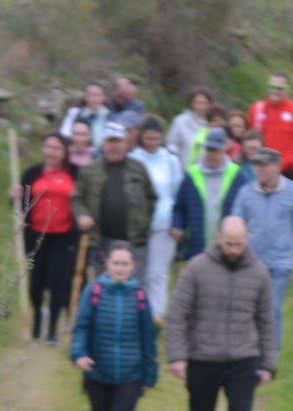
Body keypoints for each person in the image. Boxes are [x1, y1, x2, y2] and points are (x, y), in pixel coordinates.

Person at [165, 216, 274, 411]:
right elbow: (177, 315)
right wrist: (177, 356)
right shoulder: (196, 269)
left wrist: (267, 363)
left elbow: (266, 321)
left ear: (247, 240)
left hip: (243, 359)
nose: (234, 249)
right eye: (228, 244)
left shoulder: (259, 273)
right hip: (203, 358)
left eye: (239, 244)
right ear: (218, 238)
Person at [69, 242, 158, 411]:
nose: (120, 268)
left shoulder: (141, 297)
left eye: (125, 264)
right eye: (116, 263)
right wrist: (79, 354)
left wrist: (150, 375)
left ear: (133, 267)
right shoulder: (93, 292)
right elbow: (81, 327)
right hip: (98, 373)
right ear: (107, 265)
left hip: (131, 374)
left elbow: (148, 339)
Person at [231, 147, 293, 351]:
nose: (260, 169)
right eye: (257, 165)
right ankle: (249, 352)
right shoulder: (245, 193)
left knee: (271, 309)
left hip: (280, 263)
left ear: (277, 167)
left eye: (264, 165)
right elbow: (234, 227)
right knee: (250, 309)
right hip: (250, 263)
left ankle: (269, 358)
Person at [10, 132, 79, 343]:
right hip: (36, 236)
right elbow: (21, 207)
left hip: (63, 237)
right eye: (48, 147)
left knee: (58, 282)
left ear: (65, 152)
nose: (51, 152)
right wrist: (14, 196)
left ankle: (52, 331)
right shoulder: (31, 175)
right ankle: (37, 320)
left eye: (57, 148)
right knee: (36, 283)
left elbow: (82, 201)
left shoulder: (74, 175)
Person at [73, 121, 157, 281]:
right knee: (103, 287)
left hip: (134, 241)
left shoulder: (138, 168)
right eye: (110, 141)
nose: (114, 146)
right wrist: (82, 215)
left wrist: (143, 222)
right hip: (101, 241)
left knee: (134, 287)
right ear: (103, 143)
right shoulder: (90, 170)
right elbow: (77, 198)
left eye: (117, 141)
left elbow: (151, 198)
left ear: (125, 143)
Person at [129, 115, 182, 320]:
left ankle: (157, 315)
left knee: (158, 273)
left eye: (156, 138)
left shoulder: (171, 161)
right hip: (138, 225)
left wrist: (177, 223)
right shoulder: (134, 158)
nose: (152, 142)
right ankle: (137, 313)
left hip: (164, 223)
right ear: (142, 137)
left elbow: (177, 193)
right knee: (138, 272)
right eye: (148, 138)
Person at [171, 127, 248, 264]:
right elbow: (179, 207)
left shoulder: (236, 175)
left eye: (215, 150)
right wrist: (177, 226)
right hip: (197, 245)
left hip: (229, 248)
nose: (212, 154)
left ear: (224, 149)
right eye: (209, 149)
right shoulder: (191, 175)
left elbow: (247, 208)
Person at [248, 71, 293, 182]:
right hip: (259, 169)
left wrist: (290, 160)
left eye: (280, 87)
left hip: (285, 171)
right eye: (272, 86)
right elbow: (246, 138)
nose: (275, 91)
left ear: (287, 89)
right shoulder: (256, 109)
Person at [167, 86, 214, 167]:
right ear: (191, 103)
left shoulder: (213, 123)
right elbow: (171, 143)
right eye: (198, 102)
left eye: (204, 103)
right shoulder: (180, 121)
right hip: (183, 168)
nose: (201, 106)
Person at [186, 103, 230, 169]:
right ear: (208, 123)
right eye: (214, 121)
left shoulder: (229, 134)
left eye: (220, 120)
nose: (218, 123)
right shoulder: (201, 138)